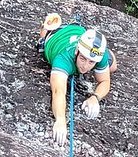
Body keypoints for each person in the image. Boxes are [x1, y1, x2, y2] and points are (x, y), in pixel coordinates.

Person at [37, 13, 118, 146]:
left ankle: (68, 26)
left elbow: (105, 81)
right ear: (77, 52)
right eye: (82, 59)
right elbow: (58, 91)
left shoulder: (98, 55)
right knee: (43, 41)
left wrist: (95, 97)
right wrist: (61, 120)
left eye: (91, 62)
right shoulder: (62, 59)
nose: (85, 66)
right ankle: (47, 28)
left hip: (79, 32)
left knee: (113, 66)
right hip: (56, 36)